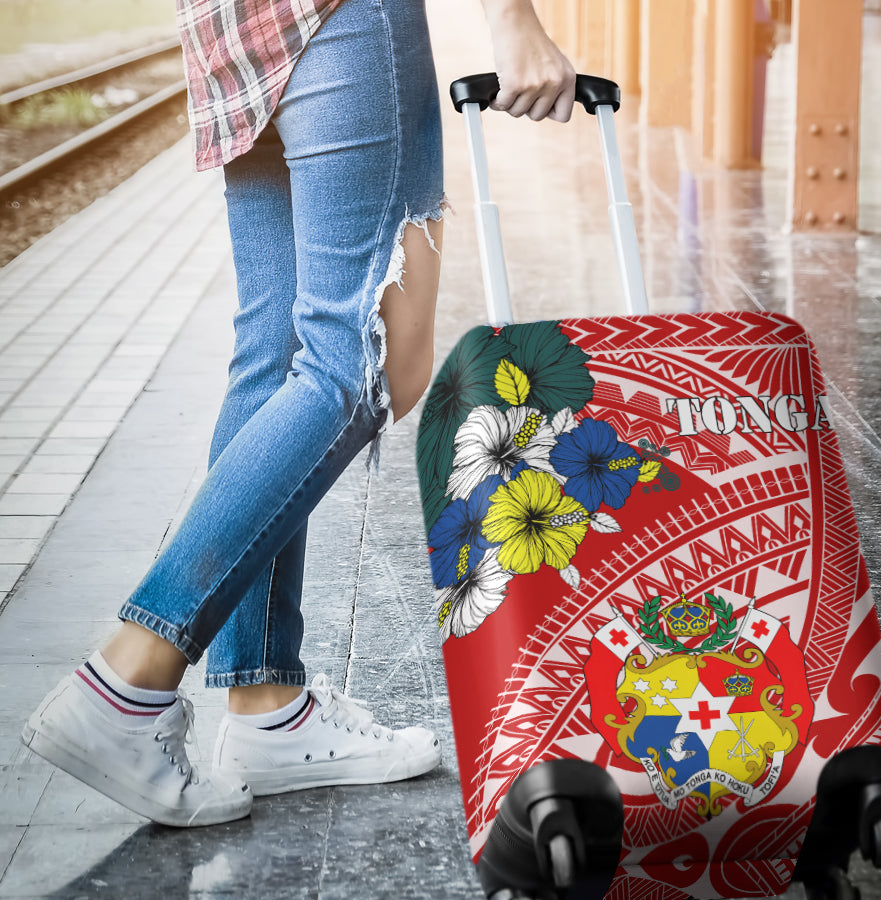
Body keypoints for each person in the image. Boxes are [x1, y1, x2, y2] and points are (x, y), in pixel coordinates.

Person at [21, 0, 575, 827]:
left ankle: (266, 706)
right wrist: (511, 16)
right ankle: (128, 679)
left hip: (231, 27)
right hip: (344, 17)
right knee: (357, 364)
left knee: (276, 357)